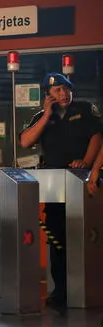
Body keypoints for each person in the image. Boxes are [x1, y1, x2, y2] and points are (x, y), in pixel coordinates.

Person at [20, 72, 103, 314]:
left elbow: (97, 137)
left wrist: (86, 163)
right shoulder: (42, 117)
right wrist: (46, 115)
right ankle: (61, 290)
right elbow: (25, 141)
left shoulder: (86, 109)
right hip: (56, 186)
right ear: (48, 95)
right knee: (57, 239)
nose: (63, 94)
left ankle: (91, 287)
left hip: (84, 180)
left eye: (66, 89)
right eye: (57, 91)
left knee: (88, 235)